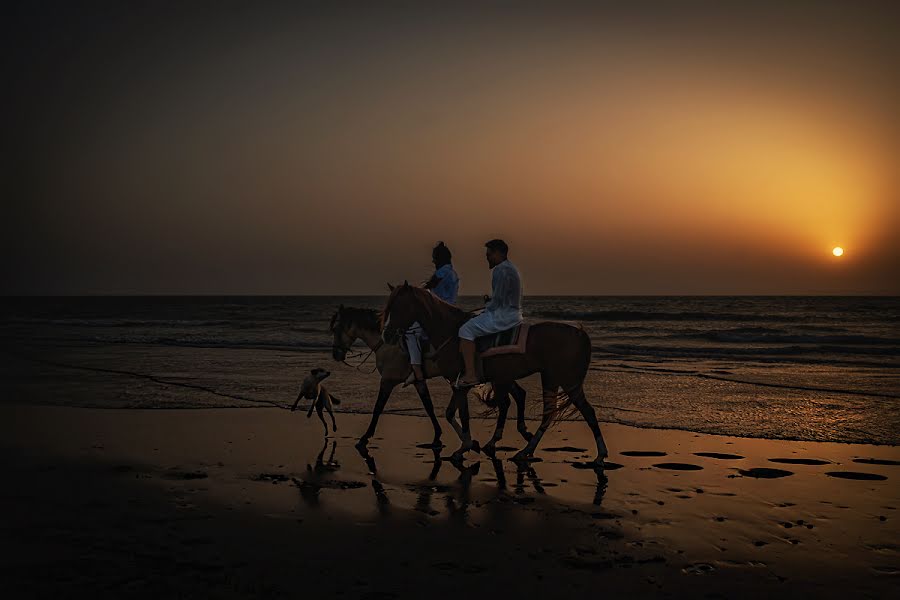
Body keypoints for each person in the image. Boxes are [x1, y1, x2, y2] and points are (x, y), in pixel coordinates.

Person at [455, 239, 523, 388]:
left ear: (499, 253)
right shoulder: (511, 268)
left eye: (489, 254)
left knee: (465, 329)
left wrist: (486, 305)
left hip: (503, 316)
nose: (487, 257)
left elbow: (497, 302)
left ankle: (471, 375)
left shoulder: (500, 270)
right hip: (513, 314)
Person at [404, 242, 460, 385]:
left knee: (410, 331)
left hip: (439, 315)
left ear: (440, 259)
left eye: (434, 258)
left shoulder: (442, 272)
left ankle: (416, 370)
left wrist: (410, 293)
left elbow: (427, 288)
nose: (433, 261)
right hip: (448, 312)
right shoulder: (453, 272)